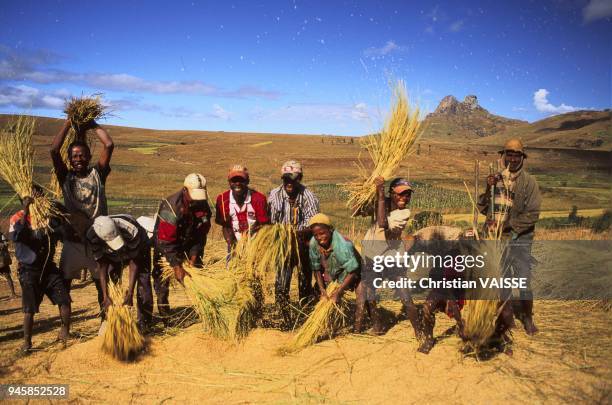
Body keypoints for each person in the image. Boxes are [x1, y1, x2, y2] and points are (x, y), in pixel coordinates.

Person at [477, 138, 542, 336]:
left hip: (519, 239)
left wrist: (505, 226)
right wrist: (488, 188)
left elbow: (532, 214)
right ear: (504, 156)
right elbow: (482, 208)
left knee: (523, 280)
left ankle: (528, 317)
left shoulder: (529, 182)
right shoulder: (495, 179)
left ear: (523, 158)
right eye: (509, 154)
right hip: (496, 240)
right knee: (502, 279)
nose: (513, 159)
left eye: (517, 155)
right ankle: (508, 316)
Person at [50, 118, 114, 313]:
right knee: (65, 283)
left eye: (82, 155)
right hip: (74, 241)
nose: (78, 159)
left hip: (97, 240)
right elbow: (53, 151)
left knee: (102, 285)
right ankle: (65, 327)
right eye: (74, 156)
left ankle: (106, 321)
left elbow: (109, 144)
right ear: (69, 159)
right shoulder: (65, 177)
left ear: (88, 157)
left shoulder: (98, 174)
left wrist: (91, 123)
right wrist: (68, 123)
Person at [9, 191, 71, 352]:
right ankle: (27, 343)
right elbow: (17, 236)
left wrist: (59, 215)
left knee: (64, 299)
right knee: (29, 309)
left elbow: (64, 235)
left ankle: (65, 332)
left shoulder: (49, 219)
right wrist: (26, 211)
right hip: (29, 270)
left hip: (48, 268)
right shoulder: (17, 218)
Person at [361, 176, 422, 338]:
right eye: (400, 194)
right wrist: (369, 190)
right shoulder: (382, 202)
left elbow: (382, 223)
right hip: (372, 256)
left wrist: (380, 193)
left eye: (407, 194)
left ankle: (419, 331)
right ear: (392, 193)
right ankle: (377, 324)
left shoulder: (403, 213)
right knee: (369, 292)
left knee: (404, 294)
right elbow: (359, 211)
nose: (404, 198)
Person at [308, 213, 381, 333]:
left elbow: (353, 271)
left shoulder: (342, 245)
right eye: (316, 235)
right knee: (326, 299)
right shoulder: (313, 243)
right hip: (338, 273)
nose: (319, 237)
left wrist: (338, 291)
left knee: (364, 299)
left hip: (359, 271)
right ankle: (331, 327)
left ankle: (370, 328)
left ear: (330, 230)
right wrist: (323, 291)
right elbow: (316, 269)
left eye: (322, 233)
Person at [153, 173, 212, 319]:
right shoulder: (171, 206)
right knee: (162, 279)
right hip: (166, 244)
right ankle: (164, 313)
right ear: (185, 190)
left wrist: (194, 256)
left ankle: (202, 309)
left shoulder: (202, 203)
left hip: (190, 242)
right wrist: (176, 266)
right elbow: (165, 241)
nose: (197, 200)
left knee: (196, 274)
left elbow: (201, 233)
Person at [86, 215, 154, 331]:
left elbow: (134, 262)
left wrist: (130, 292)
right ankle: (116, 322)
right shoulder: (92, 237)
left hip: (139, 246)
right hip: (111, 254)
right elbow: (102, 266)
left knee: (143, 282)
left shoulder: (130, 228)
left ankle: (144, 322)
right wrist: (105, 296)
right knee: (113, 282)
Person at [268, 160, 320, 312]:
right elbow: (271, 223)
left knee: (304, 277)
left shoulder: (308, 196)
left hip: (303, 243)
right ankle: (282, 309)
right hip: (282, 244)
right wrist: (285, 236)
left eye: (294, 179)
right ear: (282, 179)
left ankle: (304, 308)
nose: (290, 183)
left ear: (300, 178)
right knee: (282, 278)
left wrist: (297, 235)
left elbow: (314, 223)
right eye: (286, 179)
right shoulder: (274, 195)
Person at [215, 165, 269, 251]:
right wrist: (232, 244)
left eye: (241, 180)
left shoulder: (259, 199)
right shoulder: (223, 200)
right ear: (229, 182)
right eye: (234, 180)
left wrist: (253, 242)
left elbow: (264, 225)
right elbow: (226, 225)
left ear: (247, 181)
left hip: (256, 245)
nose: (237, 183)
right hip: (234, 244)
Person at [0, 230, 17, 298]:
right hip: (2, 260)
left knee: (7, 276)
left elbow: (6, 243)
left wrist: (2, 245)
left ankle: (13, 294)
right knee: (7, 276)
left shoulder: (1, 235)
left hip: (2, 260)